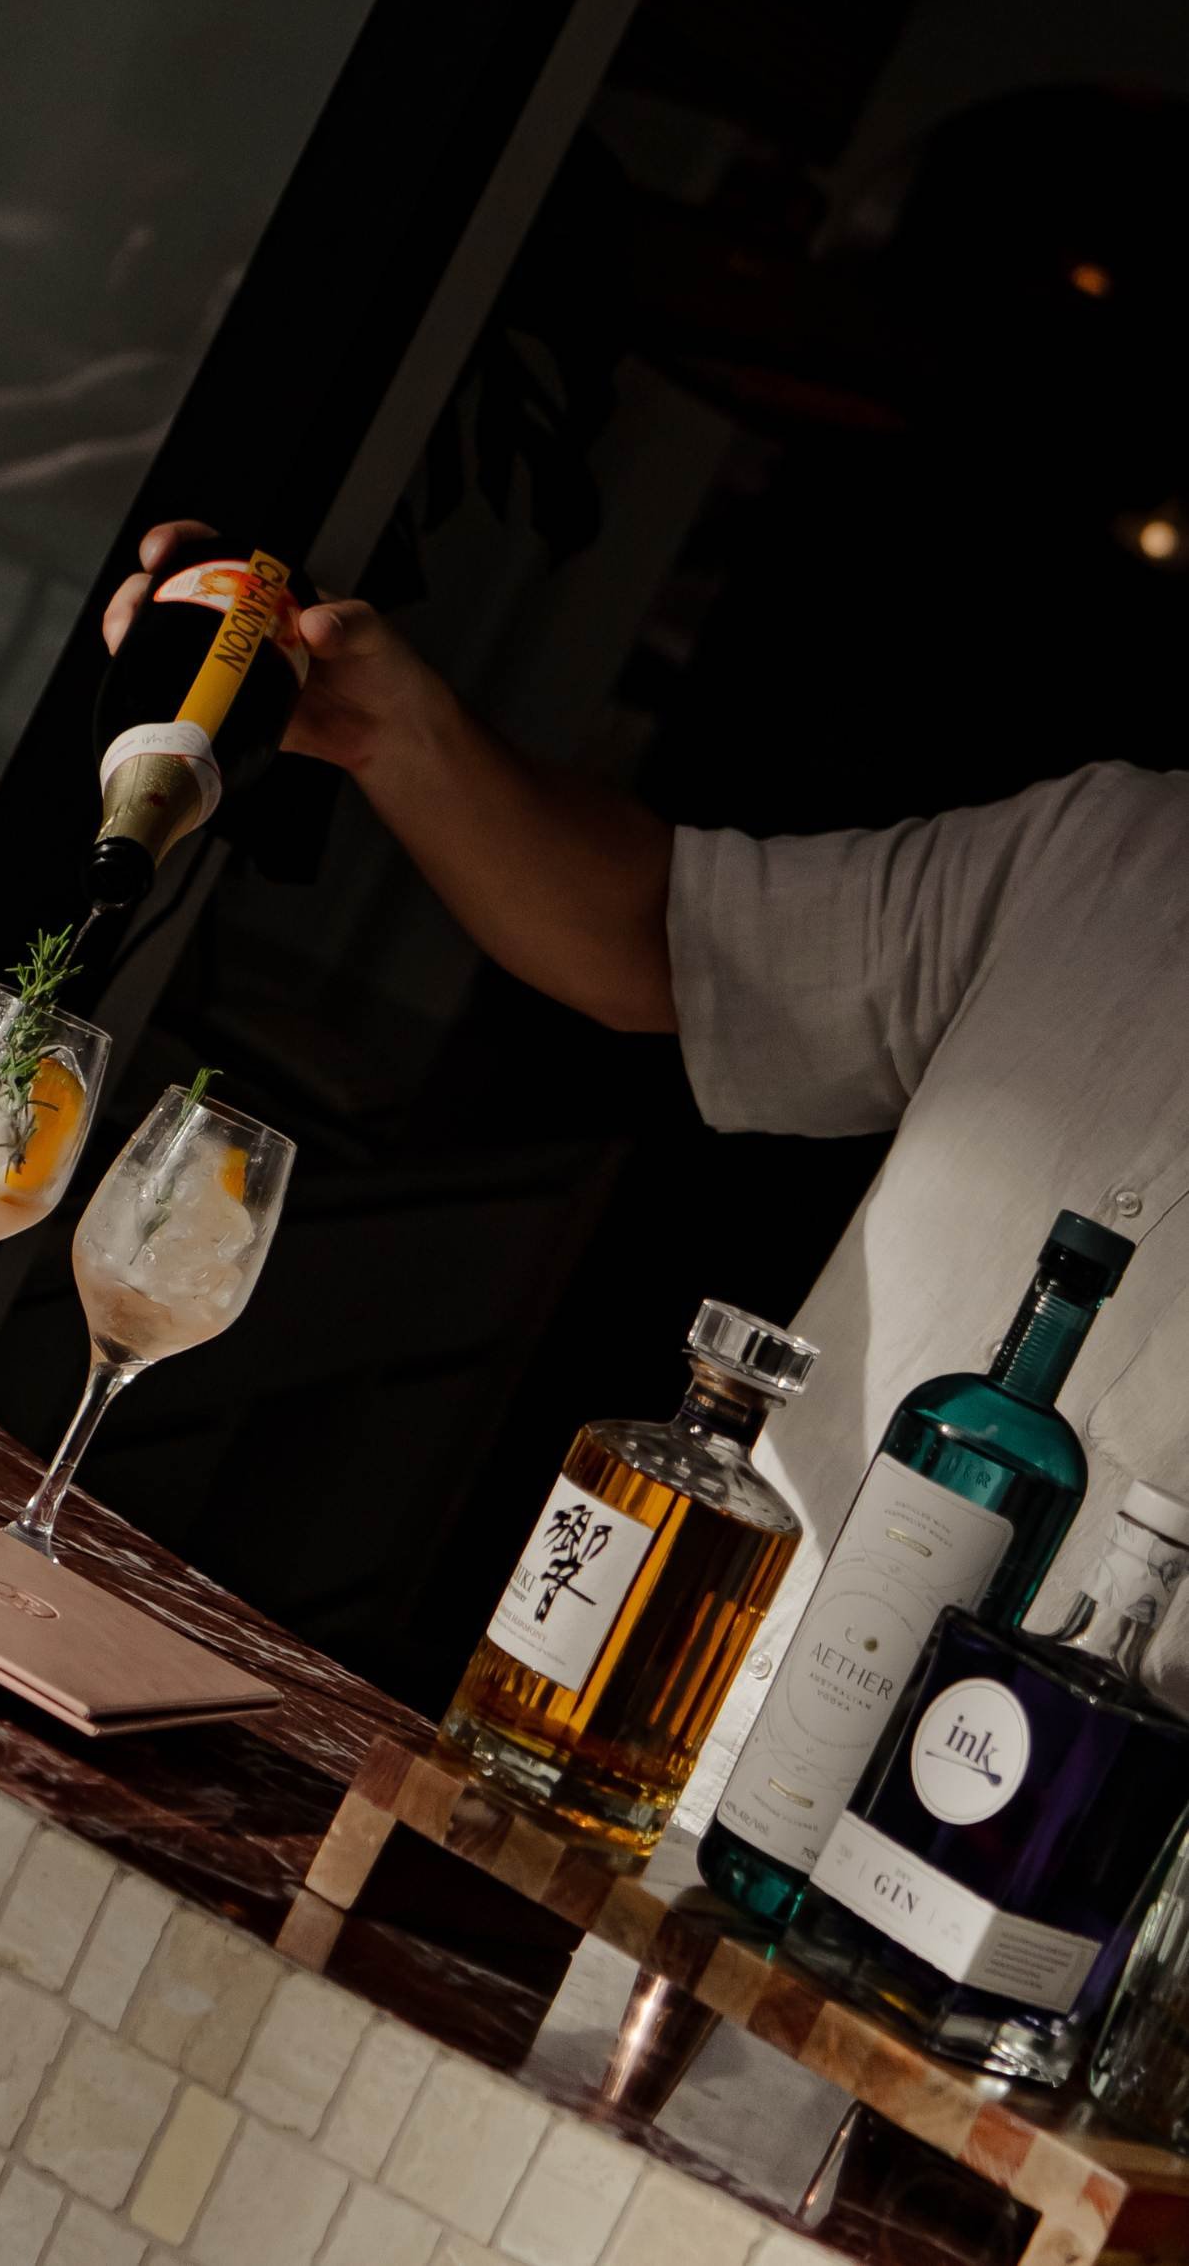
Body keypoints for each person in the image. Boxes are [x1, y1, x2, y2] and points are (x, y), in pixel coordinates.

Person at [106, 519, 1189, 1805]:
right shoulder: (1120, 849)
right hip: (689, 1746)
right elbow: (660, 941)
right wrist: (390, 726)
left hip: (1064, 1909)